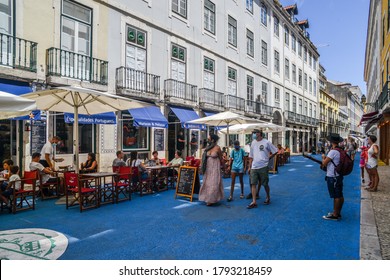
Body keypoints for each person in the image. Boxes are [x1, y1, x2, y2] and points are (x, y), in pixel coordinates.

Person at [247, 129, 278, 209]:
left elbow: (275, 151)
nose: (253, 134)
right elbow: (251, 156)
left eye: (254, 133)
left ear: (259, 134)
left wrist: (269, 157)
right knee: (253, 184)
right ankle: (254, 201)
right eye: (253, 133)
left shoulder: (266, 142)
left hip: (263, 166)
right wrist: (249, 167)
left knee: (265, 184)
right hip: (254, 166)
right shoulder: (253, 143)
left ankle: (268, 197)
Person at [320, 133, 344, 221]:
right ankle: (337, 212)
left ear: (331, 141)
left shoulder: (333, 151)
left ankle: (335, 214)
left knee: (336, 195)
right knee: (339, 194)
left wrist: (323, 157)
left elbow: (324, 163)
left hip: (333, 176)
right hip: (338, 175)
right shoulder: (340, 150)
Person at [199, 134, 224, 206]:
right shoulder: (207, 147)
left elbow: (221, 158)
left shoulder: (218, 148)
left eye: (209, 138)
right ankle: (207, 198)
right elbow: (203, 158)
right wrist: (201, 167)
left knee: (214, 183)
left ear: (213, 140)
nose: (208, 139)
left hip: (215, 167)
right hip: (208, 168)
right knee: (207, 183)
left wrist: (224, 167)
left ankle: (212, 199)